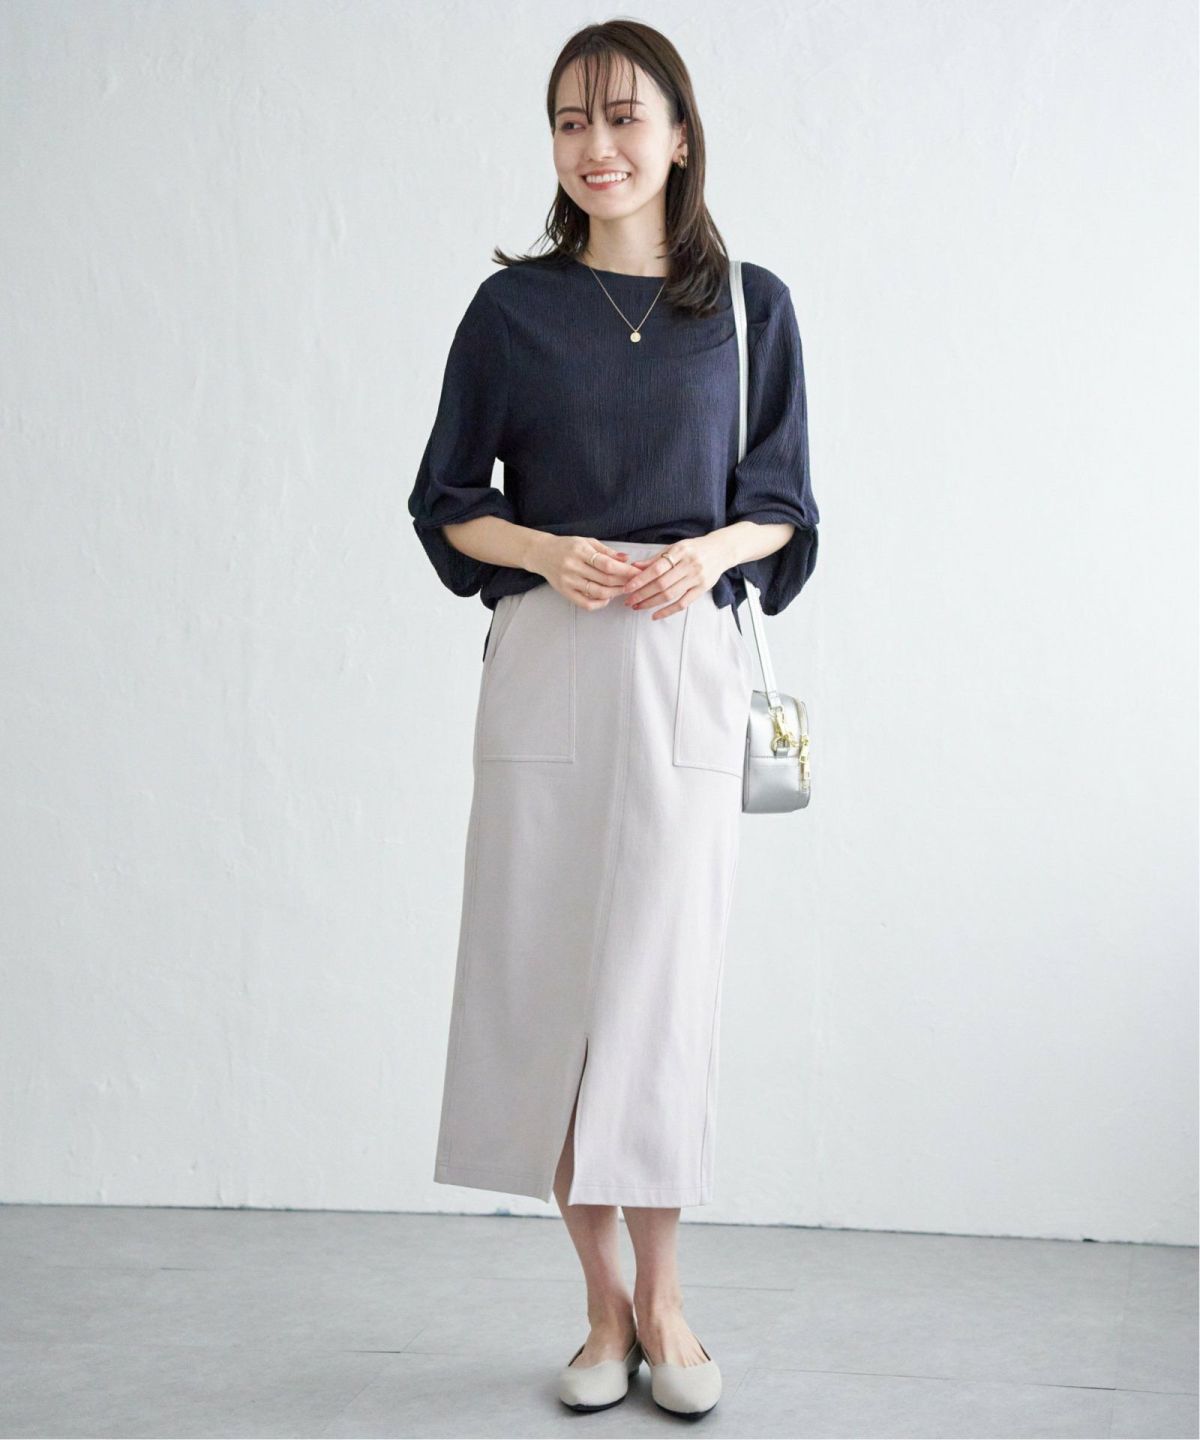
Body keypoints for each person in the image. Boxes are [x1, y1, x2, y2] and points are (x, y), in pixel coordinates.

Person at [407, 19, 819, 1419]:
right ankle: (600, 1307)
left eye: (625, 117)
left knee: (661, 993)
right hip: (547, 659)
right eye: (572, 121)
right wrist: (544, 550)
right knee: (547, 991)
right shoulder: (511, 312)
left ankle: (666, 1301)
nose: (598, 147)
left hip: (685, 664)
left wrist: (708, 555)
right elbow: (445, 503)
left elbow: (787, 508)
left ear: (681, 136)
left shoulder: (750, 308)